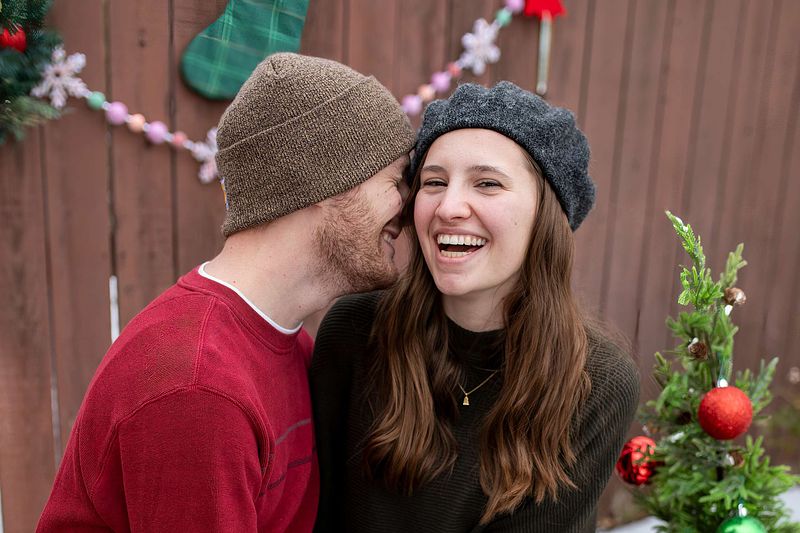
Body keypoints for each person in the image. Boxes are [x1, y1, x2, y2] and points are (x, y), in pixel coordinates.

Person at [36, 53, 415, 532]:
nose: (408, 206)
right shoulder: (197, 387)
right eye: (395, 181)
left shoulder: (282, 341)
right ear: (326, 181)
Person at [311, 81, 640, 532]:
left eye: (487, 183)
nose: (449, 206)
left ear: (547, 214)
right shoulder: (355, 332)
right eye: (433, 182)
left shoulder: (595, 381)